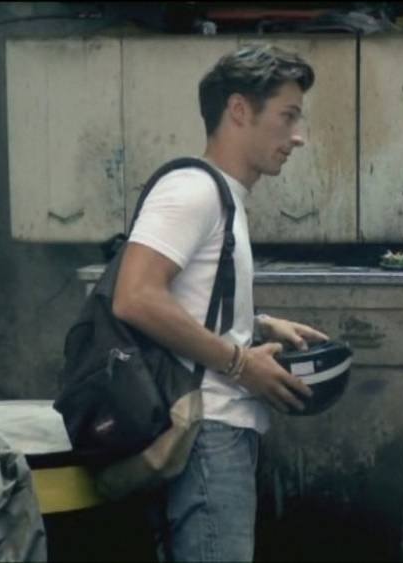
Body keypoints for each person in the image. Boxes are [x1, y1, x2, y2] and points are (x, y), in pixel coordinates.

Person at [111, 44, 328, 562]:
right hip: (205, 431)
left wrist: (257, 324)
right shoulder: (194, 191)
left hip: (211, 430)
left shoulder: (221, 196)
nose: (298, 136)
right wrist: (240, 363)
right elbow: (135, 297)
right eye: (287, 116)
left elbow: (184, 297)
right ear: (238, 110)